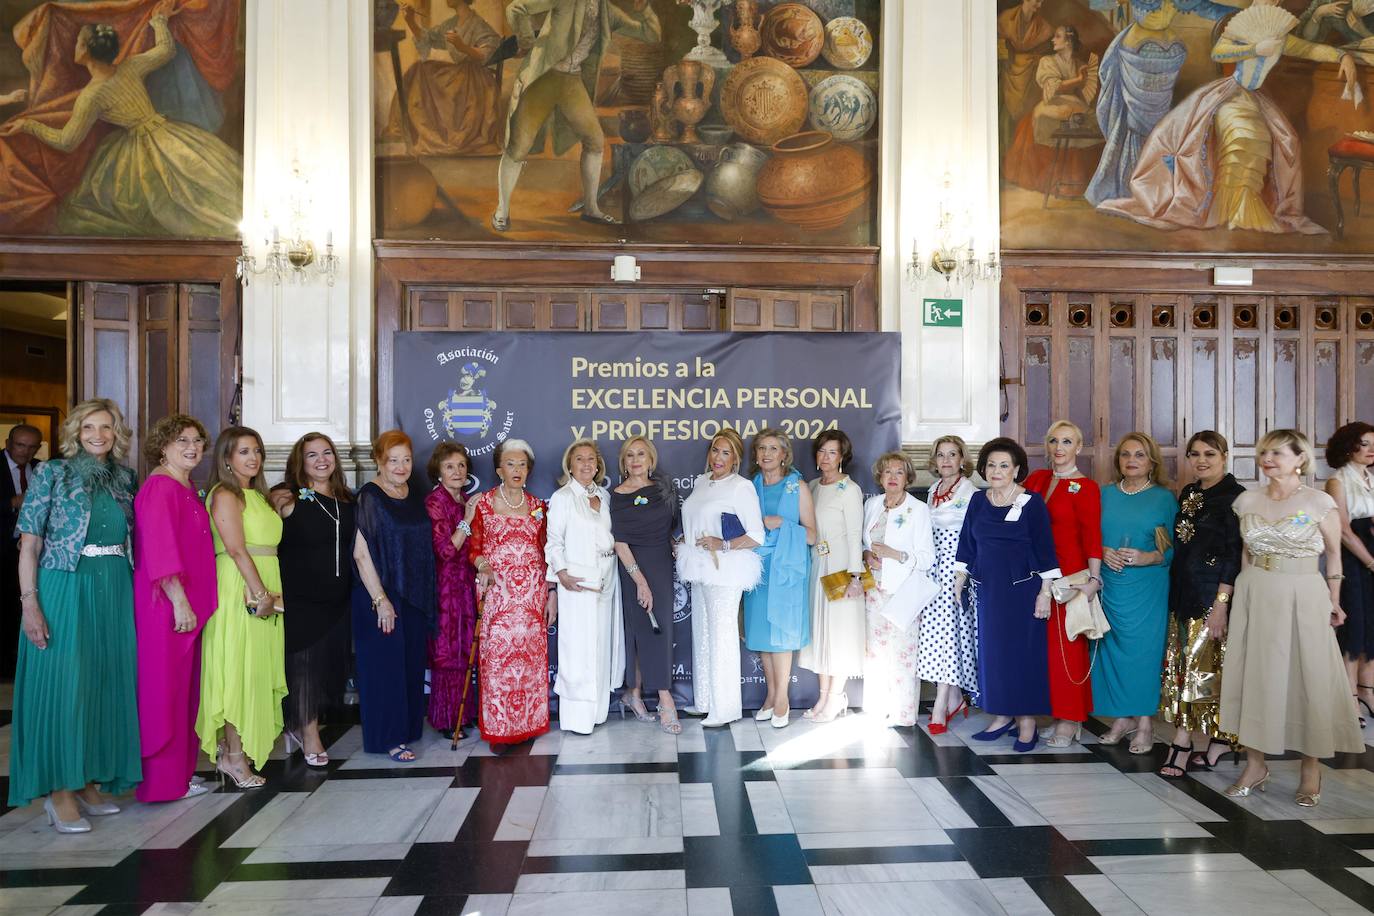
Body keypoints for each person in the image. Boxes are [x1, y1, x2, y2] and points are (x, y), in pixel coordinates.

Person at [1099, 0, 1362, 233]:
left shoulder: (1281, 37)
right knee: (1240, 136)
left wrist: (1343, 56)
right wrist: (1255, 48)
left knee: (1283, 141)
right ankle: (1229, 212)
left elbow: (1313, 50)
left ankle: (1243, 211)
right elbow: (1219, 53)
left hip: (1255, 100)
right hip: (1228, 96)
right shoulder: (1241, 29)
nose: (1272, 2)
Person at [11, 399, 139, 831]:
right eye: (89, 427)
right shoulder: (53, 473)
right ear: (75, 432)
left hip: (114, 586)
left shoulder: (125, 478)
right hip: (65, 584)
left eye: (106, 427)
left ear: (116, 432)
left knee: (102, 683)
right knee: (66, 685)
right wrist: (30, 603)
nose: (98, 435)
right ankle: (59, 791)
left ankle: (86, 779)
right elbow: (28, 545)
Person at [0, 11, 242, 236]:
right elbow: (166, 49)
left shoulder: (92, 95)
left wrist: (28, 126)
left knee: (169, 199)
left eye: (78, 41)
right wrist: (158, 21)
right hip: (170, 135)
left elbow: (67, 141)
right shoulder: (130, 66)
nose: (74, 44)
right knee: (192, 190)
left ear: (85, 50)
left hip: (140, 152)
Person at [1221, 429, 1364, 806]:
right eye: (1263, 453)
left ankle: (1310, 768)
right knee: (1256, 675)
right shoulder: (1246, 500)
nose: (1268, 459)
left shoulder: (1319, 503)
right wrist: (1239, 593)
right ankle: (1255, 764)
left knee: (1308, 676)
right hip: (1256, 590)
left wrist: (1333, 600)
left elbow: (1333, 556)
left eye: (1277, 453)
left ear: (1300, 458)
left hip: (1303, 591)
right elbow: (1246, 555)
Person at [494, 0, 661, 230]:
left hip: (572, 81)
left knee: (595, 141)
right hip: (544, 77)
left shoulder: (607, 12)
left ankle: (591, 208)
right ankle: (502, 211)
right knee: (518, 146)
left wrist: (645, 10)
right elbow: (515, 9)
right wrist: (526, 41)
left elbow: (650, 34)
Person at [954, 438, 1061, 753]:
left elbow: (1045, 552)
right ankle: (1001, 716)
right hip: (989, 592)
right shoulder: (977, 500)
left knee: (1022, 658)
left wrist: (1045, 593)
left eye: (1004, 465)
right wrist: (959, 578)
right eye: (991, 465)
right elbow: (967, 543)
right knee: (994, 657)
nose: (996, 470)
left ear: (1016, 470)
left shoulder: (1032, 503)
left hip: (1023, 592)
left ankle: (1026, 723)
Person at [134, 415, 216, 802]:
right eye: (182, 440)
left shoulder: (187, 486)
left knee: (185, 692)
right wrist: (179, 601)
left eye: (198, 441)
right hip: (167, 606)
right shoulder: (159, 488)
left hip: (188, 605)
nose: (192, 447)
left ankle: (180, 776)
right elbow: (160, 549)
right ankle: (161, 783)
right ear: (163, 446)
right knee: (164, 691)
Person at [198, 426, 284, 789]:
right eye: (244, 452)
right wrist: (260, 593)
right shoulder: (225, 494)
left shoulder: (259, 495)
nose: (253, 458)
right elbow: (235, 548)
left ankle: (240, 750)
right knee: (238, 671)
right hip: (241, 585)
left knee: (256, 671)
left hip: (265, 579)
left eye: (257, 451)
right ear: (227, 459)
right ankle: (232, 756)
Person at [1085, 0, 1235, 206]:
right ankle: (1134, 185)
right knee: (1137, 124)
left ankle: (1156, 186)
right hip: (1137, 54)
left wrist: (1246, 15)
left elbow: (1207, 9)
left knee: (1160, 124)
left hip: (1168, 55)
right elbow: (1097, 3)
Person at [1159, 431, 1245, 778]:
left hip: (1213, 597)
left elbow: (1234, 556)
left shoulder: (1235, 498)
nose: (1201, 460)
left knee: (1199, 671)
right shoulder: (1190, 493)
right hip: (1183, 592)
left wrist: (1222, 604)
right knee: (1192, 669)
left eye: (1210, 453)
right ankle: (1222, 740)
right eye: (1194, 454)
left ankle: (1181, 744)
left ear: (1224, 455)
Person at [272, 433, 355, 766]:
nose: (322, 460)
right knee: (303, 666)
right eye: (312, 455)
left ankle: (303, 724)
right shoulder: (287, 497)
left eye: (327, 453)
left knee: (326, 668)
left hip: (337, 598)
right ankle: (309, 734)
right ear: (300, 462)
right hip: (300, 597)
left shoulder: (347, 500)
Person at [352, 430, 436, 762]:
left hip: (412, 595)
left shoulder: (411, 494)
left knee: (410, 667)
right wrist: (380, 600)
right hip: (381, 596)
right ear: (379, 461)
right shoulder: (370, 496)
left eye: (406, 460)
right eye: (393, 460)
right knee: (385, 670)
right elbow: (361, 554)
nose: (401, 467)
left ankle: (407, 730)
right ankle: (388, 737)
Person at [1095, 432, 1178, 755]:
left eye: (1139, 455)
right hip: (1109, 584)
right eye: (1126, 454)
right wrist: (1102, 551)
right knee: (1111, 652)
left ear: (1151, 461)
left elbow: (1173, 548)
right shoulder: (1104, 495)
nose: (1131, 460)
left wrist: (1150, 557)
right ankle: (1121, 718)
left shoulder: (1163, 498)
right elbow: (1087, 536)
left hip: (1148, 586)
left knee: (1143, 654)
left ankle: (1144, 722)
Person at [468, 439, 552, 751]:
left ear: (528, 470)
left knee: (529, 661)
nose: (517, 470)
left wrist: (549, 592)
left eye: (522, 464)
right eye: (511, 464)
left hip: (531, 596)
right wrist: (484, 567)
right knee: (499, 661)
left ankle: (527, 724)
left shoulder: (538, 507)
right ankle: (500, 729)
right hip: (498, 594)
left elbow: (545, 552)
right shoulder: (484, 504)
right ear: (499, 469)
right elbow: (473, 549)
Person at [678, 428, 763, 728]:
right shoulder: (703, 483)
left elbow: (756, 536)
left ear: (736, 458)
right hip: (699, 567)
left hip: (725, 570)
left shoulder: (741, 487)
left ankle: (725, 708)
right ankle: (704, 700)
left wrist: (722, 544)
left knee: (721, 636)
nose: (719, 457)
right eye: (716, 450)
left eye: (726, 452)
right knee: (701, 633)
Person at [1024, 421, 1101, 747]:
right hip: (1035, 576)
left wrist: (1093, 580)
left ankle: (1070, 720)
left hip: (1069, 578)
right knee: (1044, 652)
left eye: (1067, 441)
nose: (1059, 447)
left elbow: (1092, 537)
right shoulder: (1038, 479)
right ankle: (1056, 714)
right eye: (1054, 440)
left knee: (1067, 650)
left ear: (1078, 447)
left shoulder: (1086, 487)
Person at [546, 440, 623, 734]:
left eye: (592, 459)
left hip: (607, 575)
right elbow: (554, 541)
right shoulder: (563, 497)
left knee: (601, 643)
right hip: (576, 580)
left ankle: (597, 713)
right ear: (570, 464)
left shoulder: (604, 495)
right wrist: (561, 574)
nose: (587, 464)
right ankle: (577, 718)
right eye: (580, 459)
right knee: (578, 648)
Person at [743, 429, 815, 729]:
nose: (767, 454)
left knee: (782, 633)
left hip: (787, 568)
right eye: (762, 448)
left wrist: (783, 524)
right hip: (756, 566)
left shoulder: (797, 486)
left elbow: (811, 535)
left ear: (784, 454)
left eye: (774, 448)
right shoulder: (750, 486)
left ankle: (783, 699)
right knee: (762, 634)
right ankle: (770, 695)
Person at [610, 436, 681, 734]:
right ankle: (665, 700)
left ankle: (634, 694)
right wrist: (640, 581)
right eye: (630, 455)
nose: (636, 460)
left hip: (662, 565)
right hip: (632, 568)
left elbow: (673, 528)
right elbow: (620, 542)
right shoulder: (617, 494)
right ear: (624, 463)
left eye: (641, 454)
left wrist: (678, 544)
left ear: (651, 459)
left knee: (659, 629)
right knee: (639, 631)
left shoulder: (664, 489)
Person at [862, 452, 936, 727]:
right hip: (874, 589)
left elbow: (927, 557)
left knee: (903, 653)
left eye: (899, 472)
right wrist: (867, 555)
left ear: (907, 478)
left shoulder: (918, 510)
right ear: (880, 477)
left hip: (903, 591)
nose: (892, 477)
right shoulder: (873, 505)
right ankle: (877, 708)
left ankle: (902, 713)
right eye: (887, 472)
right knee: (876, 652)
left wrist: (895, 554)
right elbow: (864, 543)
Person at [799, 430, 867, 722]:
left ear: (842, 457)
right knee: (820, 634)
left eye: (832, 453)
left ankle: (837, 697)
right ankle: (823, 697)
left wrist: (855, 578)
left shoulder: (849, 490)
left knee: (838, 634)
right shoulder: (813, 486)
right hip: (817, 565)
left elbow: (855, 536)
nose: (825, 458)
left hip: (840, 567)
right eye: (821, 451)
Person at [387, 0, 505, 156]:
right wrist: (410, 20)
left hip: (473, 80)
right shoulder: (451, 23)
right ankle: (407, 128)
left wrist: (463, 46)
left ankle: (434, 133)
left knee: (423, 73)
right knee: (419, 70)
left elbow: (488, 52)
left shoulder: (478, 24)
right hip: (458, 74)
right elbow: (428, 38)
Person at [922, 436, 980, 733]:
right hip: (933, 567)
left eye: (952, 454)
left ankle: (942, 702)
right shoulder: (934, 490)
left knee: (949, 634)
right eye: (940, 455)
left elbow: (972, 537)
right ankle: (956, 696)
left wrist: (962, 574)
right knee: (935, 635)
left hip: (955, 569)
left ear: (962, 459)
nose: (946, 460)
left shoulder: (969, 492)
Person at [1003, 25, 1102, 197]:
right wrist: (1078, 80)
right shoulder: (1047, 62)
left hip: (1074, 104)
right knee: (1048, 117)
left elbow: (1084, 92)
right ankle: (1052, 180)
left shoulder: (1079, 64)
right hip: (1053, 103)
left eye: (1057, 36)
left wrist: (1083, 80)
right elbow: (1054, 89)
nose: (1052, 39)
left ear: (1068, 41)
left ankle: (1080, 182)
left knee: (1088, 120)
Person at [424, 442, 479, 739]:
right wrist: (468, 521)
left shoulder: (465, 500)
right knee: (447, 655)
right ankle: (446, 719)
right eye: (449, 467)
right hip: (445, 588)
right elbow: (445, 550)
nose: (457, 471)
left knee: (464, 652)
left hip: (466, 586)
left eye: (460, 465)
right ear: (439, 472)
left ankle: (464, 713)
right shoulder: (436, 503)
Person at [1324, 422, 1374, 726]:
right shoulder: (1337, 480)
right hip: (1354, 561)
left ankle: (1367, 689)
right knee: (1354, 629)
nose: (1371, 450)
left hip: (1370, 551)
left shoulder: (1371, 476)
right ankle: (1348, 699)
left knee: (1371, 627)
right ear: (1348, 446)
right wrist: (1370, 562)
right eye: (1365, 443)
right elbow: (1342, 530)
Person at [2, 423, 41, 679]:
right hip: (2, 547)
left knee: (23, 603)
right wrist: (13, 502)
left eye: (31, 447)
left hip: (28, 549)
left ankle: (18, 663)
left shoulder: (41, 469)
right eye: (20, 445)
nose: (25, 452)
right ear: (8, 443)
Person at [996, 0, 1053, 154]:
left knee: (1026, 119)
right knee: (1004, 117)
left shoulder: (1045, 28)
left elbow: (1046, 54)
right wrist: (1006, 58)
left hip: (1030, 79)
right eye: (1037, 0)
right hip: (1008, 75)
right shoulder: (1005, 19)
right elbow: (1001, 46)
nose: (1040, 5)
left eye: (1042, 1)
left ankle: (1021, 155)